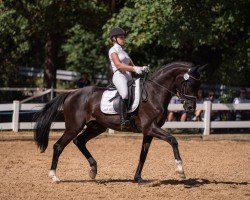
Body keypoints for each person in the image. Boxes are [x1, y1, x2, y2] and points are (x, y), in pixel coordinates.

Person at [108, 27, 148, 129]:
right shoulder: (112, 50)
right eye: (121, 37)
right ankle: (122, 120)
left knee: (139, 90)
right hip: (119, 75)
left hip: (128, 75)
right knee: (125, 93)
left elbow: (132, 65)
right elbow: (118, 65)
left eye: (123, 37)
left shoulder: (123, 52)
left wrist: (142, 68)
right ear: (114, 39)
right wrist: (134, 69)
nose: (123, 39)